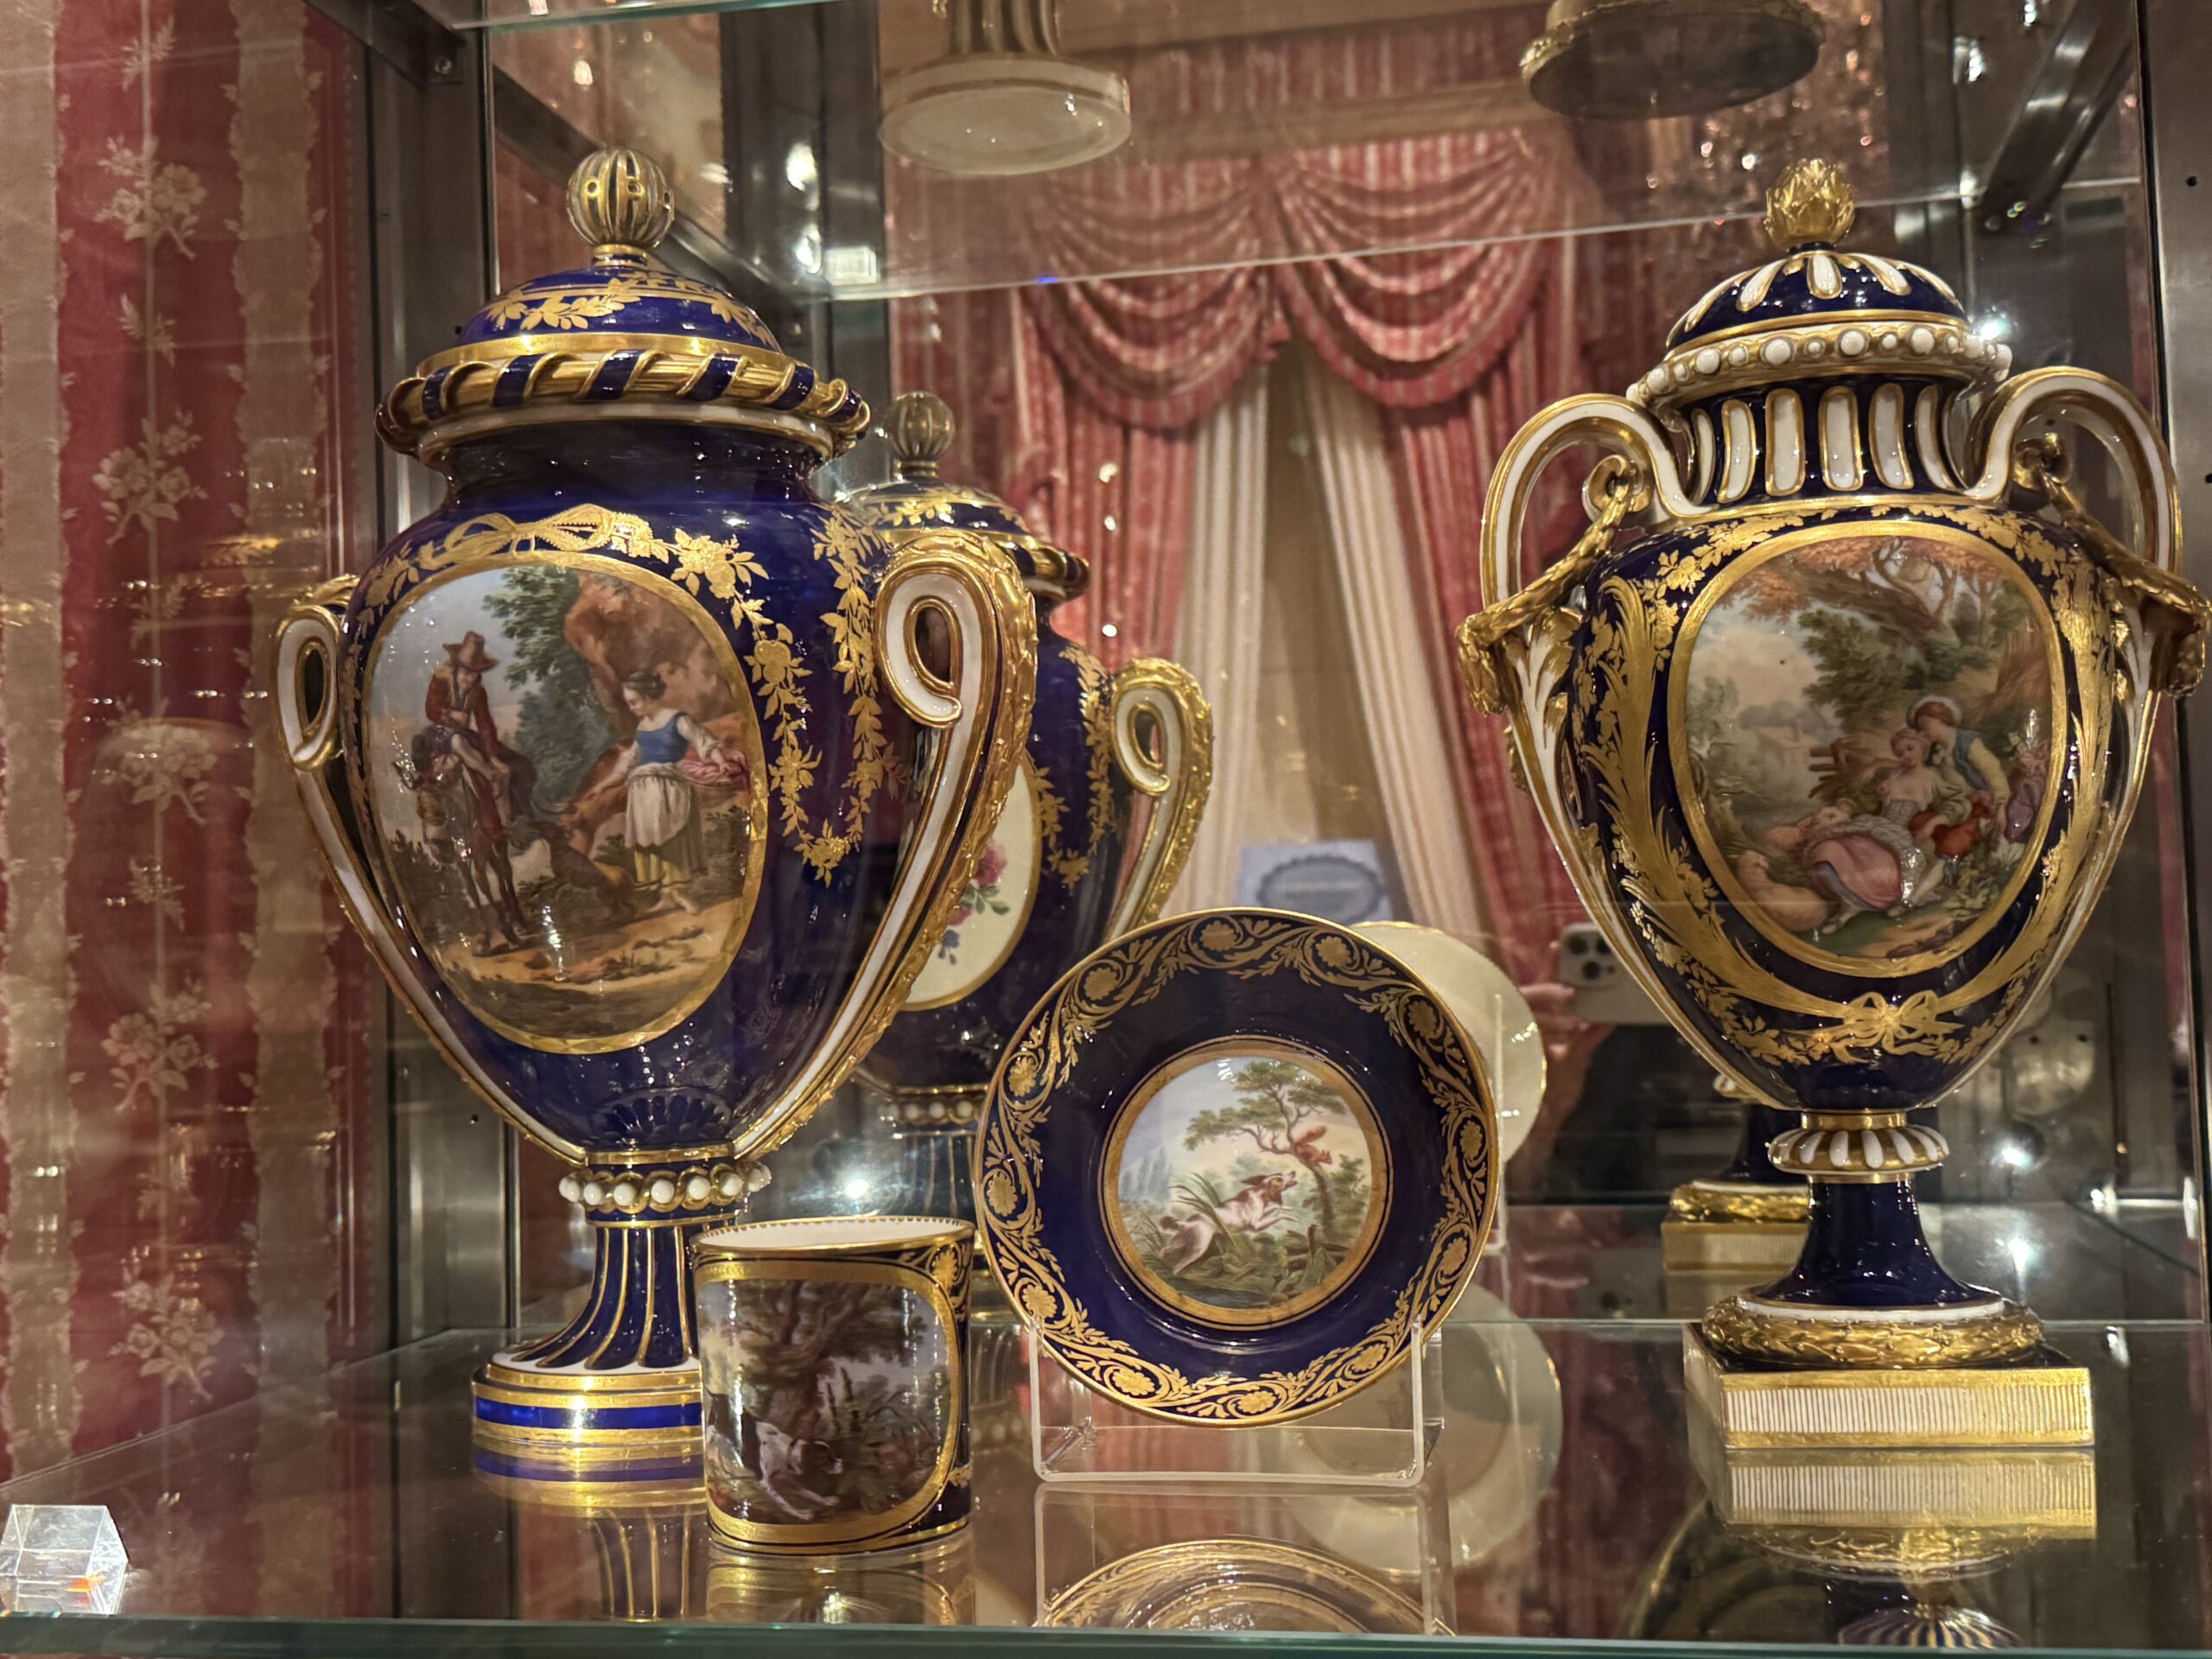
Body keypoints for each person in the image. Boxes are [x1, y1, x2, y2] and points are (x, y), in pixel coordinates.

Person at [616, 669, 729, 907]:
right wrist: (605, 786)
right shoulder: (642, 728)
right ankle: (666, 896)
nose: (631, 708)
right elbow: (631, 759)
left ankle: (680, 892)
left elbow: (703, 741)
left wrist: (721, 762)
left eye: (634, 702)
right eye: (628, 704)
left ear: (649, 697)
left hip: (669, 788)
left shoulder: (678, 720)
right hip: (643, 792)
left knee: (671, 839)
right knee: (651, 840)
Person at [424, 632, 518, 836]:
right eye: (465, 673)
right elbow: (431, 709)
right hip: (439, 735)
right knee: (458, 741)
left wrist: (494, 757)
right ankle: (489, 774)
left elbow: (485, 724)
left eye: (474, 674)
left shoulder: (478, 691)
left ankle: (506, 823)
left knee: (505, 770)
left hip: (464, 736)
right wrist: (451, 715)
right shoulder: (440, 680)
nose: (469, 678)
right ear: (456, 668)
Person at [1910, 696, 2006, 855]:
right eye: (1919, 729)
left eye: (1924, 726)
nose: (1921, 732)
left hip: (1977, 805)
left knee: (1951, 845)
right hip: (1951, 804)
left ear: (1939, 719)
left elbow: (1993, 771)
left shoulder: (1966, 742)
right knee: (1916, 823)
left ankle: (1976, 832)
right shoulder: (1933, 750)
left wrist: (2000, 805)